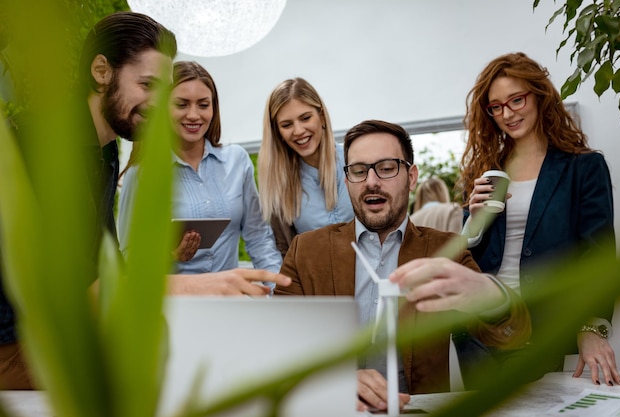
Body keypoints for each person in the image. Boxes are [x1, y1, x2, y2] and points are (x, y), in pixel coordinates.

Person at [0, 11, 290, 390]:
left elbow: (107, 262)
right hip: (18, 347)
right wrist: (204, 286)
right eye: (147, 84)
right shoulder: (50, 147)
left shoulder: (105, 152)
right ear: (102, 71)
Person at [275, 120, 531, 412]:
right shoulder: (307, 251)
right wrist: (334, 379)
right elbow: (277, 343)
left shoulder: (445, 251)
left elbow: (509, 334)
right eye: (359, 171)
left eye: (386, 168)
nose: (371, 181)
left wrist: (491, 296)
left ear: (411, 177)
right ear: (347, 182)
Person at [458, 52, 620, 386]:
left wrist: (590, 327)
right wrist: (473, 221)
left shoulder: (583, 168)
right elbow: (468, 255)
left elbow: (598, 256)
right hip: (479, 328)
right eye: (496, 107)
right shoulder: (485, 172)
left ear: (539, 95)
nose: (507, 113)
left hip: (542, 324)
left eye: (516, 100)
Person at [118, 61, 282, 280]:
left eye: (203, 105)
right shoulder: (141, 174)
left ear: (213, 109)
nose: (194, 115)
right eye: (181, 104)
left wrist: (278, 289)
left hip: (228, 302)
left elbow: (259, 237)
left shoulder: (237, 161)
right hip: (173, 305)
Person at [258, 78, 354, 257]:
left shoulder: (357, 162)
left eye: (305, 118)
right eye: (287, 125)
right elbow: (283, 251)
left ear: (322, 117)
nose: (299, 130)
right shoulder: (280, 186)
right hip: (318, 283)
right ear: (278, 133)